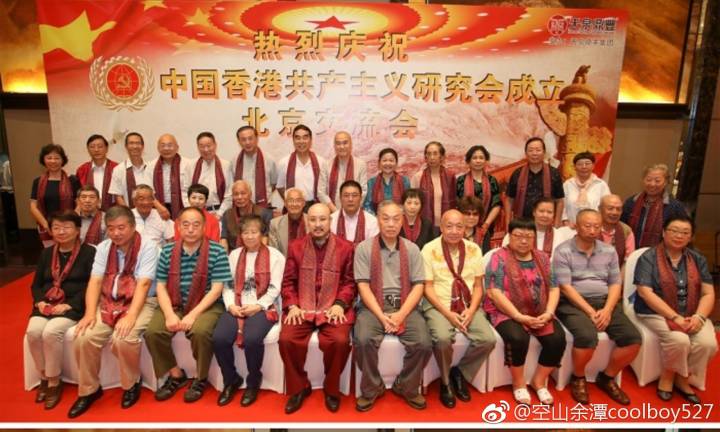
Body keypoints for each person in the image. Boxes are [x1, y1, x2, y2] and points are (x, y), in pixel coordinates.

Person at [68, 205, 158, 418]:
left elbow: (144, 284)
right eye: (111, 228)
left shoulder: (148, 246)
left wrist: (131, 316)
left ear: (133, 226)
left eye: (121, 227)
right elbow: (95, 281)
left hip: (141, 301)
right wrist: (90, 313)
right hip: (109, 301)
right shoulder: (103, 247)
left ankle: (131, 384)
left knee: (123, 338)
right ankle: (89, 390)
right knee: (83, 336)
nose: (116, 233)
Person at [553, 209, 641, 405]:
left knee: (633, 339)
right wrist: (591, 312)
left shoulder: (608, 251)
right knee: (587, 336)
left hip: (604, 301)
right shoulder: (563, 251)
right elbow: (565, 287)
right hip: (572, 303)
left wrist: (607, 310)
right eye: (587, 225)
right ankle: (578, 377)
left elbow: (615, 283)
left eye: (596, 226)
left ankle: (607, 377)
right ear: (576, 226)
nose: (592, 230)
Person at [145, 207, 231, 403]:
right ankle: (176, 375)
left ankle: (200, 378)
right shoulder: (167, 250)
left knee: (200, 332)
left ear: (204, 227)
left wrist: (192, 315)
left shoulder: (217, 251)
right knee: (153, 332)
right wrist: (169, 314)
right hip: (175, 302)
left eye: (196, 225)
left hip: (207, 304)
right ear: (178, 227)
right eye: (186, 224)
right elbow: (161, 286)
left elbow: (216, 290)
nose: (191, 229)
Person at [353, 201, 432, 411]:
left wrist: (400, 315)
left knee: (424, 343)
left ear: (402, 221)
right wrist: (381, 316)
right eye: (385, 218)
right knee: (363, 340)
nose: (391, 224)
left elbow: (419, 286)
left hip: (405, 305)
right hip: (373, 306)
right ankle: (372, 388)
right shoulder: (364, 248)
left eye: (396, 219)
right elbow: (363, 286)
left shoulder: (412, 249)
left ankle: (406, 385)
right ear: (378, 220)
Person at [279, 203, 356, 414]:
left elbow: (350, 282)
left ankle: (331, 389)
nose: (318, 224)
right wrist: (292, 305)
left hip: (333, 307)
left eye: (322, 219)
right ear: (307, 221)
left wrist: (340, 305)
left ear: (330, 221)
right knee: (286, 339)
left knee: (339, 341)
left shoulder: (346, 247)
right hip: (302, 307)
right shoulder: (296, 247)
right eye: (313, 219)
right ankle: (299, 387)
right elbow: (288, 282)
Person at [633, 215, 717, 404]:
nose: (679, 236)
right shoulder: (648, 258)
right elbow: (645, 293)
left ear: (691, 236)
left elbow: (708, 293)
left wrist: (699, 317)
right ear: (664, 232)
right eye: (674, 231)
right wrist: (674, 317)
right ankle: (668, 377)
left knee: (708, 343)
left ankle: (682, 377)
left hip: (691, 312)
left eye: (685, 232)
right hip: (655, 312)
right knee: (679, 340)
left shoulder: (697, 259)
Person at [484, 219, 566, 405]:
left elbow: (554, 288)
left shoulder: (542, 258)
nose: (523, 241)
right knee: (518, 338)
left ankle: (539, 381)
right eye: (518, 236)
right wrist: (518, 316)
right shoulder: (499, 258)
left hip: (539, 311)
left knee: (557, 339)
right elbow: (494, 292)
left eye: (529, 236)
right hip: (506, 311)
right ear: (509, 237)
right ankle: (519, 383)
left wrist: (549, 313)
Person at [421, 210, 496, 408]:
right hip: (438, 305)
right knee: (442, 338)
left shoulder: (474, 249)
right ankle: (446, 382)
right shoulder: (429, 249)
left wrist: (471, 311)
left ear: (465, 228)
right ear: (441, 227)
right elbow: (427, 287)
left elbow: (478, 286)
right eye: (449, 226)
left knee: (488, 340)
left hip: (467, 304)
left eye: (459, 226)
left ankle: (460, 372)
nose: (454, 231)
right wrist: (448, 314)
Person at [26, 211, 96, 410]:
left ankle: (54, 381)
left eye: (66, 227)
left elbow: (92, 285)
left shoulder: (89, 253)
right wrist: (40, 301)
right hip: (46, 304)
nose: (61, 232)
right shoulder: (47, 253)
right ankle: (43, 377)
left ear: (77, 230)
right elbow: (36, 284)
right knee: (33, 332)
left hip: (72, 306)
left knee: (51, 332)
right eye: (56, 227)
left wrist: (70, 305)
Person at [213, 215, 286, 407]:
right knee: (219, 338)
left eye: (254, 232)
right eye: (246, 232)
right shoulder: (234, 255)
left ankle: (253, 381)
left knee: (252, 338)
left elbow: (275, 287)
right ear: (240, 235)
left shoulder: (276, 256)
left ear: (262, 234)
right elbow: (228, 285)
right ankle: (231, 380)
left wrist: (258, 306)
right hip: (237, 305)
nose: (250, 236)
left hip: (263, 307)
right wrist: (231, 305)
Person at [621, 163, 688, 248]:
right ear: (643, 180)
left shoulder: (675, 207)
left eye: (657, 181)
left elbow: (682, 232)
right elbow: (622, 228)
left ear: (665, 182)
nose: (652, 184)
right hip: (631, 251)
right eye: (648, 180)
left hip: (661, 252)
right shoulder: (631, 202)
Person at [30, 144, 81, 247]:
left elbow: (79, 204)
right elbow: (33, 206)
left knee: (71, 254)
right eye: (49, 158)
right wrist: (46, 225)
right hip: (46, 227)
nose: (53, 161)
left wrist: (70, 222)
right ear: (43, 160)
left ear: (62, 160)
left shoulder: (73, 180)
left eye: (57, 158)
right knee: (51, 254)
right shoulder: (38, 182)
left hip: (69, 227)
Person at [507, 137, 564, 224]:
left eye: (538, 150)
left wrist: (557, 224)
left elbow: (559, 201)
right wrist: (508, 223)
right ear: (526, 153)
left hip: (546, 223)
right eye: (531, 150)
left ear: (544, 152)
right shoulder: (517, 173)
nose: (534, 153)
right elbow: (509, 200)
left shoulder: (554, 173)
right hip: (522, 223)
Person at [456, 145, 502, 251]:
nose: (478, 161)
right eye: (474, 158)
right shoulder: (460, 181)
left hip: (486, 227)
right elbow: (457, 205)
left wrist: (486, 224)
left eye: (481, 158)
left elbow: (497, 204)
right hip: (464, 226)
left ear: (486, 161)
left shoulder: (492, 181)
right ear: (468, 161)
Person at [502, 198, 574, 259]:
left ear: (554, 215)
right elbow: (505, 256)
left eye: (549, 212)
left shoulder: (559, 235)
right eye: (541, 211)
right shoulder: (517, 233)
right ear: (534, 212)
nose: (545, 215)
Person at [276, 124, 326, 208]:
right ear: (293, 140)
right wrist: (290, 201)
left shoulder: (321, 162)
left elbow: (325, 189)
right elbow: (280, 187)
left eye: (305, 137)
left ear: (311, 140)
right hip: (294, 207)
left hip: (316, 207)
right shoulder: (284, 162)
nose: (301, 141)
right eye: (297, 138)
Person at [318, 131, 368, 212]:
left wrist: (351, 209)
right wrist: (336, 212)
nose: (342, 147)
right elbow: (321, 192)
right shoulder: (326, 165)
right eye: (338, 143)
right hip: (332, 212)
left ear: (351, 145)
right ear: (334, 146)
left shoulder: (360, 164)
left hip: (354, 211)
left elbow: (363, 191)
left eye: (345, 143)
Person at [186, 131, 232, 218]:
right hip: (196, 213)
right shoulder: (191, 165)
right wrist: (191, 211)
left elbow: (229, 194)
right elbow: (185, 191)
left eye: (209, 145)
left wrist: (219, 214)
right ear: (198, 147)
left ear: (215, 145)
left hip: (219, 213)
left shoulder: (226, 165)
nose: (206, 149)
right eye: (202, 146)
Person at [411, 142, 457, 228]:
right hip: (424, 226)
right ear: (426, 157)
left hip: (447, 225)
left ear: (442, 157)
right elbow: (412, 204)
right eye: (429, 154)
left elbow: (454, 201)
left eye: (435, 154)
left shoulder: (450, 177)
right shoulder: (418, 177)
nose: (432, 157)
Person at [231, 125, 277, 208]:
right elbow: (232, 186)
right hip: (241, 208)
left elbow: (273, 184)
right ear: (239, 141)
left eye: (250, 138)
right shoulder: (234, 161)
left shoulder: (269, 159)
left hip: (264, 208)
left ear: (257, 138)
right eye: (243, 139)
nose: (247, 142)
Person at [561, 152, 610, 227]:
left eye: (587, 163)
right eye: (580, 164)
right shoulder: (567, 185)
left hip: (594, 228)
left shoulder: (601, 185)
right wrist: (566, 221)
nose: (584, 167)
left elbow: (606, 207)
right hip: (571, 227)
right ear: (574, 167)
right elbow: (562, 206)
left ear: (593, 166)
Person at [221, 180, 272, 251]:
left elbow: (265, 238)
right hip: (233, 253)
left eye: (243, 193)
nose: (239, 197)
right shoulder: (227, 214)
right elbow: (224, 239)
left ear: (250, 194)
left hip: (257, 252)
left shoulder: (264, 213)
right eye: (236, 194)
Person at [109, 133, 155, 211]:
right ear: (126, 146)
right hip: (129, 213)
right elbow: (118, 196)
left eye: (138, 143)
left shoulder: (152, 168)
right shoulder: (118, 169)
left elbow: (156, 194)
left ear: (143, 146)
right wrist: (129, 213)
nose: (135, 146)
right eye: (131, 143)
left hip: (151, 212)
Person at [150, 133, 190, 219]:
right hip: (159, 208)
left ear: (177, 147)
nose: (166, 148)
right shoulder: (151, 166)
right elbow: (148, 190)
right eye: (163, 145)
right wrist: (159, 207)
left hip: (183, 207)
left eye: (170, 145)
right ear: (158, 148)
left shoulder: (188, 164)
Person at [75, 134, 118, 211]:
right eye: (92, 147)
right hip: (88, 213)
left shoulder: (116, 168)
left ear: (107, 149)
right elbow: (78, 195)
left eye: (100, 146)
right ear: (88, 150)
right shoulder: (82, 170)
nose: (96, 150)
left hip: (113, 212)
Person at [330, 180, 379, 245]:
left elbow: (373, 247)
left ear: (361, 198)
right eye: (346, 195)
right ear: (340, 198)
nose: (350, 199)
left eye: (354, 195)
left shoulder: (372, 221)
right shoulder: (331, 220)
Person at [363, 148, 411, 214]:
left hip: (399, 218)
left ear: (396, 163)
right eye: (384, 160)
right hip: (377, 218)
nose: (388, 163)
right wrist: (376, 218)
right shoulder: (371, 182)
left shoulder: (405, 181)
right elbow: (367, 206)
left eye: (391, 160)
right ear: (379, 163)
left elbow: (408, 203)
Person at [598, 194, 635, 267]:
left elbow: (628, 261)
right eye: (610, 208)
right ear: (600, 209)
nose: (614, 212)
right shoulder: (590, 227)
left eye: (618, 209)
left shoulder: (626, 231)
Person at [268, 187, 306, 256]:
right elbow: (274, 253)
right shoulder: (275, 224)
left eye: (298, 200)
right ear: (285, 203)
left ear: (304, 203)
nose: (294, 204)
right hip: (283, 261)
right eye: (290, 200)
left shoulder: (312, 221)